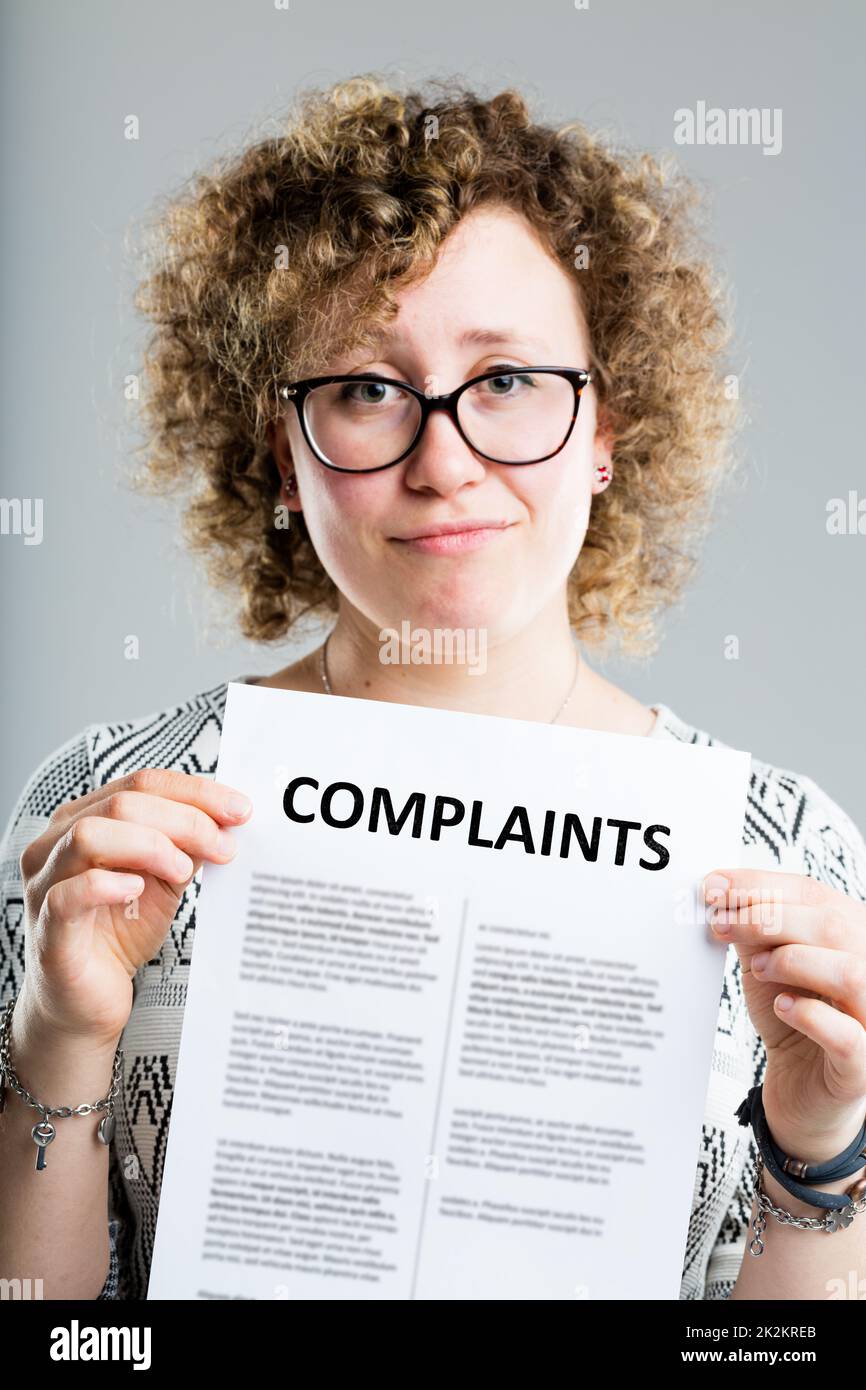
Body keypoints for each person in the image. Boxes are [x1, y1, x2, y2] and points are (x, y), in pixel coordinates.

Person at [1, 76, 864, 1303]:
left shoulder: (794, 859)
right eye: (364, 388)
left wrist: (818, 1157)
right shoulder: (103, 814)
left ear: (606, 425)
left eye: (506, 379)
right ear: (283, 459)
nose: (445, 461)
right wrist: (61, 1035)